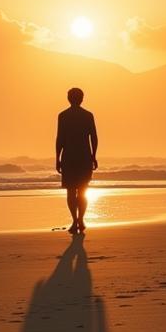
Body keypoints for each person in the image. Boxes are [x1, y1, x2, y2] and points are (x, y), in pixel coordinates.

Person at [55, 87, 98, 235]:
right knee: (83, 191)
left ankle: (75, 220)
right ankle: (80, 219)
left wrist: (57, 158)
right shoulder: (88, 115)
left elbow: (59, 139)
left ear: (68, 99)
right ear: (82, 99)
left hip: (69, 157)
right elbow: (94, 137)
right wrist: (93, 156)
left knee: (70, 192)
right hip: (84, 157)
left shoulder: (63, 116)